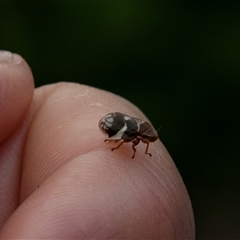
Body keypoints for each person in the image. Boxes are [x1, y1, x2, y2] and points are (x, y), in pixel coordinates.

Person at [0, 51, 195, 239]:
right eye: (149, 139)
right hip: (119, 127)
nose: (149, 143)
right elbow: (132, 143)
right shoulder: (137, 137)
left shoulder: (143, 137)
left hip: (120, 125)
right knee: (128, 145)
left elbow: (141, 143)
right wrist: (116, 144)